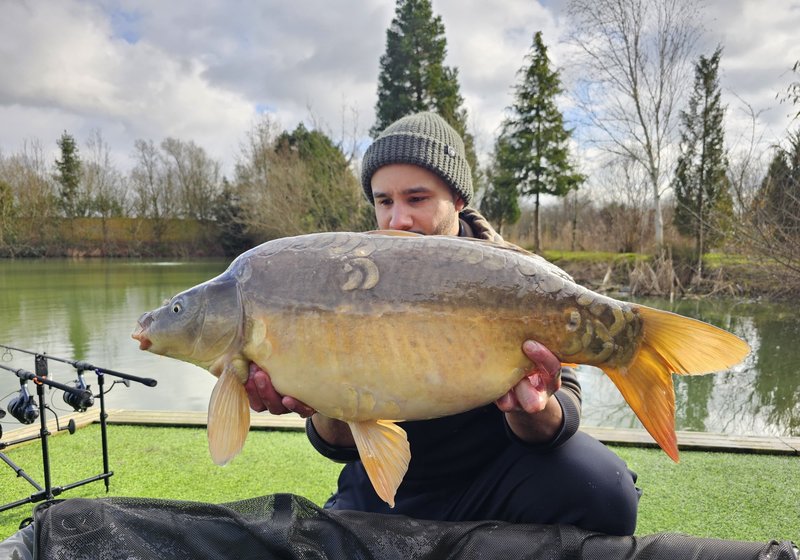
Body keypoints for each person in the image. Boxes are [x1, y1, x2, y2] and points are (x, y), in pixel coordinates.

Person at [245, 112, 641, 535]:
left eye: (416, 199)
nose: (398, 220)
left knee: (606, 493)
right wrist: (319, 398)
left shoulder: (523, 279)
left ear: (458, 200)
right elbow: (336, 443)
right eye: (384, 201)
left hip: (499, 474)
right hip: (397, 483)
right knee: (335, 550)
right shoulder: (346, 279)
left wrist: (534, 409)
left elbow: (563, 414)